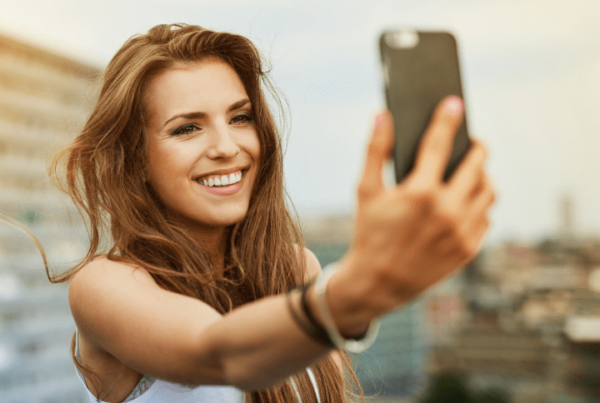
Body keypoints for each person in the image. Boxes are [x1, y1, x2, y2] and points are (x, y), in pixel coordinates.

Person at [46, 23, 495, 403]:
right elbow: (218, 354)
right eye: (187, 128)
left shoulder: (297, 268)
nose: (227, 147)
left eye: (240, 118)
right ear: (136, 158)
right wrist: (360, 291)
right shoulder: (103, 286)